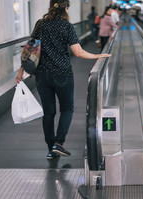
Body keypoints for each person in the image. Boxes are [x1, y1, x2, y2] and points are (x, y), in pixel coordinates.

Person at [16, 0, 111, 160]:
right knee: (67, 108)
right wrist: (97, 55)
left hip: (42, 75)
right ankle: (58, 143)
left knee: (49, 112)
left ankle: (50, 148)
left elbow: (29, 48)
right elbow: (79, 52)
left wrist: (21, 71)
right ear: (66, 8)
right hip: (62, 74)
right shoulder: (67, 26)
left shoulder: (41, 23)